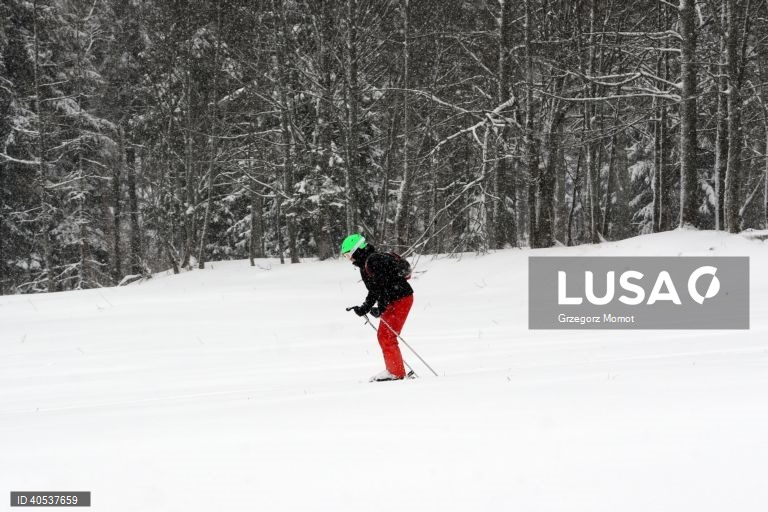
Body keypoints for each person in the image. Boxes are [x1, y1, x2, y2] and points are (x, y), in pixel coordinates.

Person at [341, 233, 414, 382]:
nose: (350, 259)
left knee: (387, 336)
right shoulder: (365, 264)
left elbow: (384, 287)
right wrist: (364, 307)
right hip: (393, 300)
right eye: (346, 257)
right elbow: (374, 290)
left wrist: (380, 308)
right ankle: (394, 370)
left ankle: (396, 373)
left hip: (401, 299)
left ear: (357, 250)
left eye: (349, 255)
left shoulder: (374, 260)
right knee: (383, 335)